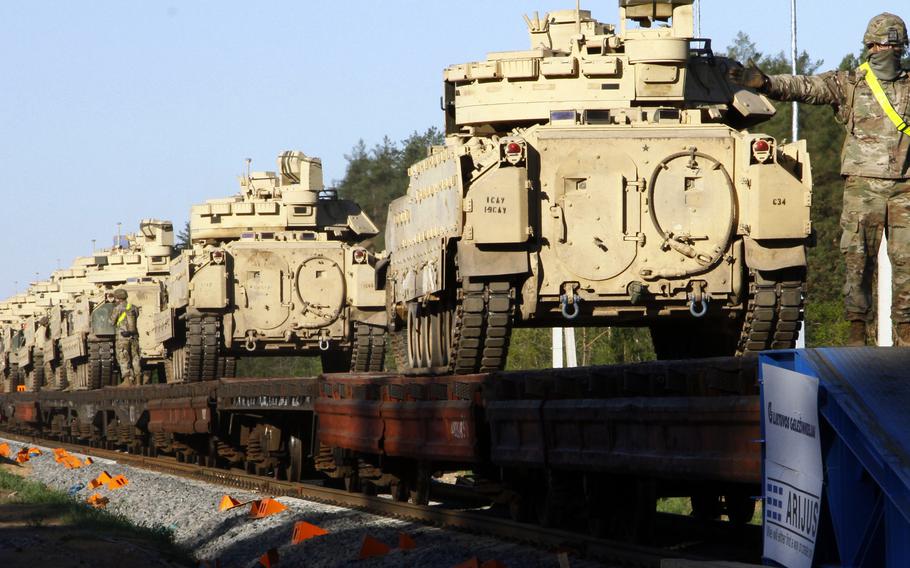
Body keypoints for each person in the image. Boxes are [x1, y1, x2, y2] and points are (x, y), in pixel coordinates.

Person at [730, 13, 910, 346]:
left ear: (900, 47)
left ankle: (906, 336)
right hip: (862, 186)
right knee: (857, 261)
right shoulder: (850, 83)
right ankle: (857, 331)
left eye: (886, 45)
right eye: (873, 45)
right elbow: (805, 86)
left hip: (906, 189)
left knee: (907, 265)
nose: (879, 50)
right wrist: (766, 83)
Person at [109, 288, 142, 386]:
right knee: (136, 357)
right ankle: (138, 381)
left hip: (122, 337)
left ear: (118, 298)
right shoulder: (134, 307)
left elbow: (112, 322)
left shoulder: (118, 308)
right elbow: (137, 316)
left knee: (124, 358)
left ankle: (127, 381)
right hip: (134, 336)